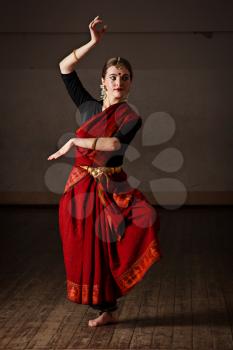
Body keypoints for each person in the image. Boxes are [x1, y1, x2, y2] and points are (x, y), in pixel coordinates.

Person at [47, 16, 162, 327]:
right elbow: (64, 68)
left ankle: (110, 305)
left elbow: (112, 143)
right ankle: (105, 310)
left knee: (122, 237)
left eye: (124, 77)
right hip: (81, 185)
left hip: (112, 186)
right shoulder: (87, 107)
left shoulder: (130, 116)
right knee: (86, 248)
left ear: (130, 83)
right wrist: (93, 43)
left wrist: (74, 141)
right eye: (113, 76)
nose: (118, 82)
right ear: (103, 80)